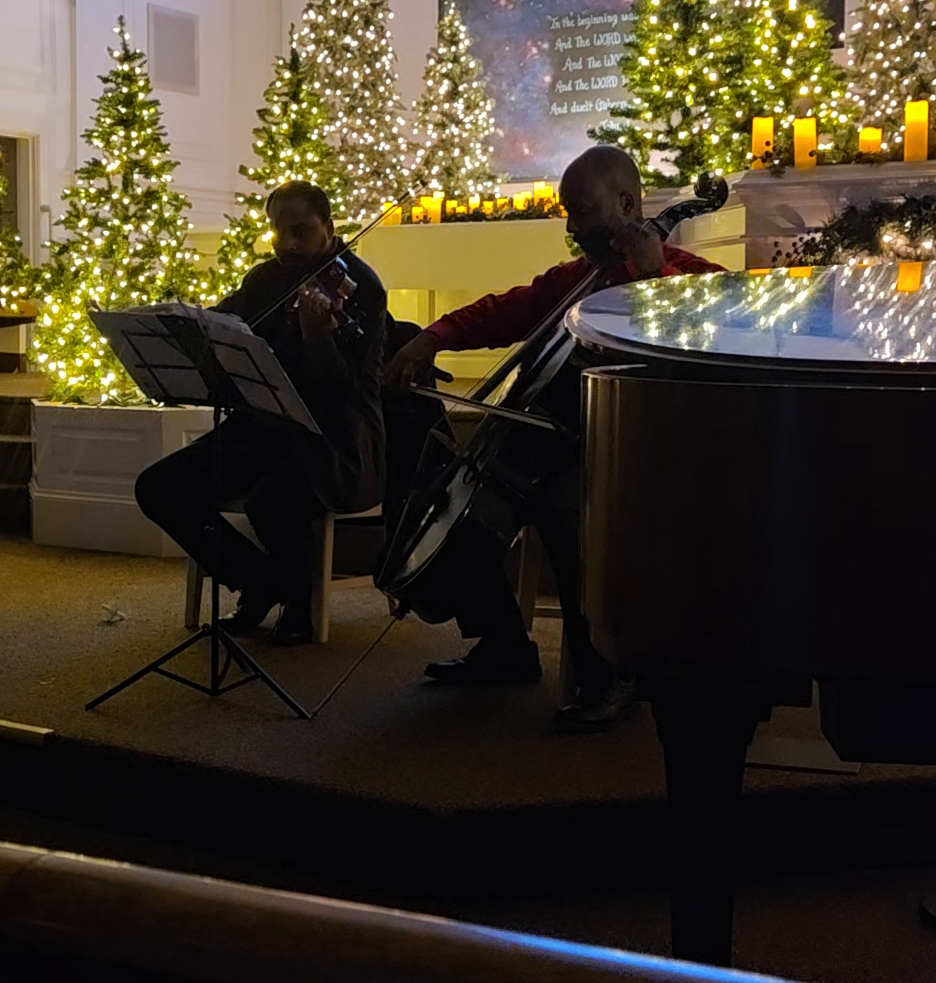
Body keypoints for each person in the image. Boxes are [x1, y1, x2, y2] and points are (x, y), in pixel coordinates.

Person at [385, 146, 722, 732]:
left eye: (582, 211)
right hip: (561, 444)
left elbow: (707, 341)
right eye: (568, 212)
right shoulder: (576, 280)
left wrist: (651, 277)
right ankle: (504, 645)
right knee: (473, 494)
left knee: (566, 507)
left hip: (649, 456)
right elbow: (504, 311)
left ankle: (613, 673)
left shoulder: (693, 278)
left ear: (627, 204)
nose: (572, 227)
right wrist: (431, 337)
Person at [136, 182, 387, 645]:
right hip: (264, 429)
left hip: (331, 441)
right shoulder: (266, 279)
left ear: (329, 228)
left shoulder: (362, 289)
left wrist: (317, 341)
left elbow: (344, 391)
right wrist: (189, 331)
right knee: (159, 488)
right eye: (278, 232)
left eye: (301, 232)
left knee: (273, 500)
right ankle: (260, 581)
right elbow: (224, 322)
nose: (287, 244)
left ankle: (298, 601)